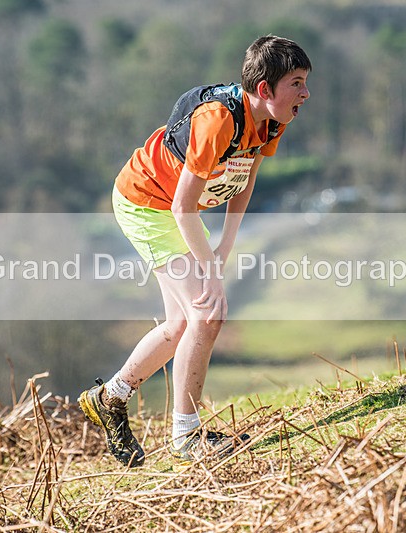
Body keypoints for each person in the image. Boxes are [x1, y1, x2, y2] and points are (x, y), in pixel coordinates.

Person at [79, 35, 311, 469]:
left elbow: (248, 175)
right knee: (208, 312)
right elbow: (183, 207)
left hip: (176, 207)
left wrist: (226, 243)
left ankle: (109, 398)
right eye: (296, 83)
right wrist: (213, 273)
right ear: (265, 89)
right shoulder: (217, 121)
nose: (306, 93)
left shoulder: (273, 120)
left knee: (183, 321)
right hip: (147, 203)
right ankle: (187, 438)